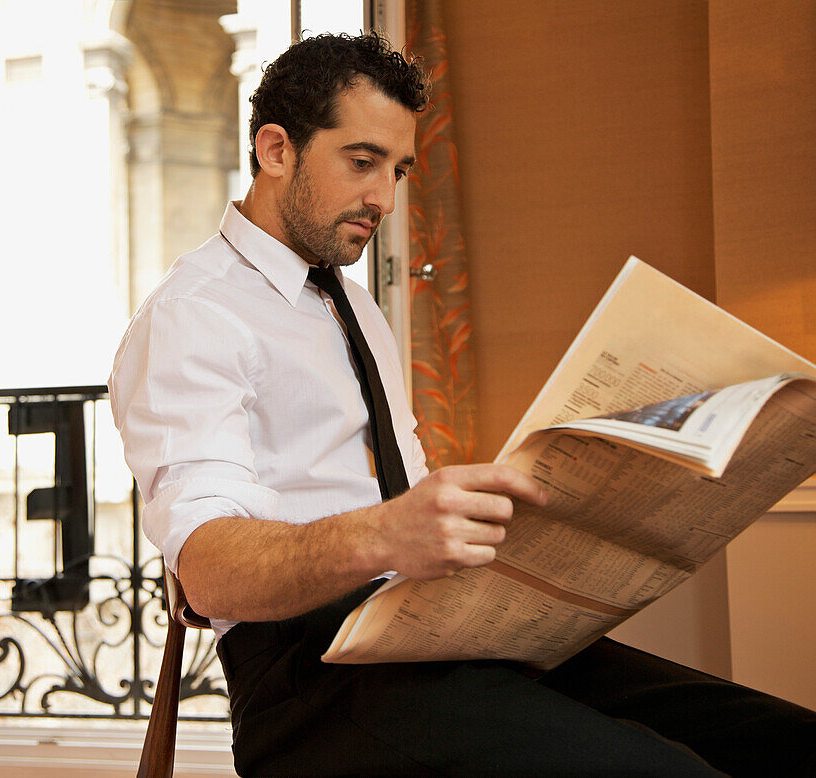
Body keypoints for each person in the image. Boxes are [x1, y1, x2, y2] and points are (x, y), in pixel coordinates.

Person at [109, 32, 815, 776]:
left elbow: (396, 491)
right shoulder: (193, 316)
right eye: (361, 162)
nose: (384, 197)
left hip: (444, 629)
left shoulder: (350, 305)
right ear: (277, 150)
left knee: (782, 742)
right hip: (313, 685)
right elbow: (209, 570)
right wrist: (387, 535)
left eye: (399, 169)